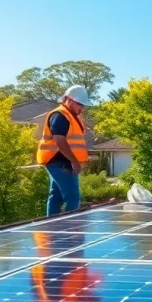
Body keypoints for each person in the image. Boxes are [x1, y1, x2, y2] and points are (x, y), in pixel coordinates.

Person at [36, 85, 91, 217]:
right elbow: (59, 140)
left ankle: (52, 226)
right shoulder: (60, 116)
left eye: (83, 105)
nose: (81, 108)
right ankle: (70, 231)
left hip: (60, 162)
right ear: (68, 99)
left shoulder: (72, 116)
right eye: (79, 104)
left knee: (56, 196)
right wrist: (74, 161)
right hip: (60, 162)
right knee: (73, 198)